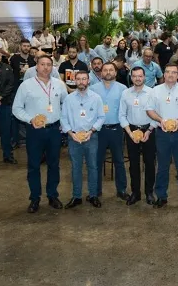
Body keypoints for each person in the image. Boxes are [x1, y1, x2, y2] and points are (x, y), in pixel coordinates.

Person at [12, 55, 68, 213]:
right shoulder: (26, 85)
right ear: (36, 66)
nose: (45, 67)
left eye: (49, 64)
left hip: (54, 130)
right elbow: (16, 109)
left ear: (53, 67)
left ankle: (52, 195)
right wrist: (31, 119)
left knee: (53, 164)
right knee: (34, 165)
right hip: (35, 131)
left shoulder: (59, 84)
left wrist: (64, 123)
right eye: (42, 64)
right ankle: (35, 198)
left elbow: (66, 104)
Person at [146, 62, 178, 209]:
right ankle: (161, 196)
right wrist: (160, 120)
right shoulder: (155, 91)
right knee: (162, 166)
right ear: (164, 73)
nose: (170, 75)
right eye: (167, 72)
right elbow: (149, 110)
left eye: (174, 72)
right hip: (162, 134)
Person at [61, 70, 105, 209]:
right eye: (78, 79)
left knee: (93, 166)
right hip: (74, 138)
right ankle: (77, 196)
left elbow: (101, 117)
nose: (81, 81)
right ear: (75, 81)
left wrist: (92, 131)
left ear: (88, 81)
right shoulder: (69, 99)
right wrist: (70, 133)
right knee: (76, 168)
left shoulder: (96, 98)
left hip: (91, 137)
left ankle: (93, 195)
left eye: (84, 79)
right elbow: (64, 118)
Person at [90, 62, 128, 201]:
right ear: (101, 72)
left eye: (111, 70)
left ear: (116, 72)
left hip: (116, 129)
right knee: (96, 161)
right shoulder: (93, 89)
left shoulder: (123, 89)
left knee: (119, 161)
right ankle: (95, 191)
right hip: (98, 130)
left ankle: (122, 190)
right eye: (105, 70)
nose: (108, 72)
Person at [119, 66, 157, 205]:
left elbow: (156, 114)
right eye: (134, 76)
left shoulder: (152, 93)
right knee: (133, 164)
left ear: (144, 77)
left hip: (149, 130)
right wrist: (129, 133)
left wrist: (149, 130)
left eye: (140, 76)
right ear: (131, 77)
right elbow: (122, 115)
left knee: (150, 163)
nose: (137, 78)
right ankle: (136, 192)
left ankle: (149, 192)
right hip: (131, 131)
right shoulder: (125, 93)